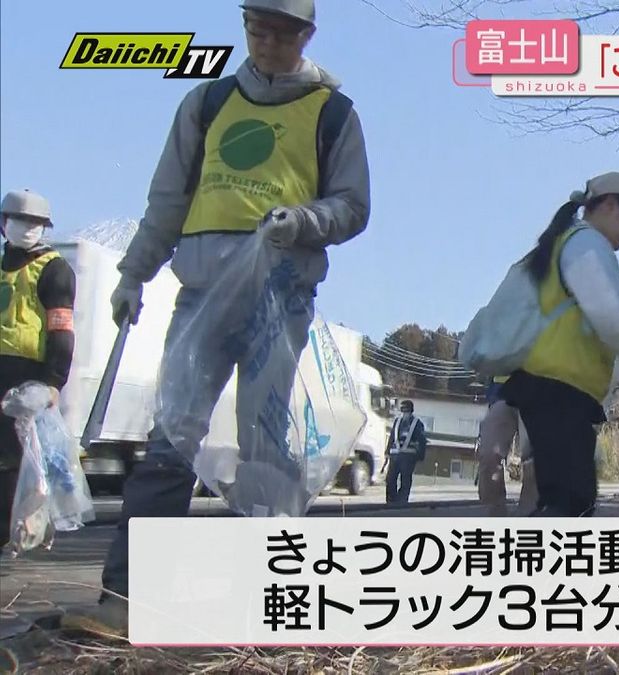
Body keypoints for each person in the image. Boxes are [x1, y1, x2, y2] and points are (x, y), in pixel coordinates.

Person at [63, 0, 370, 637]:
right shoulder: (206, 105)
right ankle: (128, 601)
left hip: (278, 297)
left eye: (279, 34)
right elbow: (168, 199)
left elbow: (352, 204)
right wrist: (132, 273)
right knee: (171, 438)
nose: (264, 44)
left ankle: (254, 606)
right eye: (254, 29)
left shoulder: (332, 112)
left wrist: (305, 221)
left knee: (263, 450)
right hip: (201, 295)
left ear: (305, 36)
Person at [500, 172, 619, 517]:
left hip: (552, 389)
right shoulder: (586, 245)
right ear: (609, 204)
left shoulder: (568, 242)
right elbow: (614, 314)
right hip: (558, 389)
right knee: (571, 500)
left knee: (563, 498)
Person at [0, 189, 76, 549]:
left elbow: (61, 328)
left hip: (28, 377)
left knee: (21, 459)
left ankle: (20, 530)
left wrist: (53, 382)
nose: (26, 228)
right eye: (20, 220)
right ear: (4, 224)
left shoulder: (54, 269)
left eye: (35, 223)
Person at [476, 375, 537, 516]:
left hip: (538, 392)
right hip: (502, 393)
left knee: (535, 461)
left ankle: (528, 516)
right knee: (488, 453)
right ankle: (496, 515)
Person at [384, 400, 427, 505]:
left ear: (411, 411)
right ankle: (391, 501)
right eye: (403, 410)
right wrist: (387, 452)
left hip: (408, 457)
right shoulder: (397, 421)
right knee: (390, 479)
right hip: (395, 455)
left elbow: (422, 441)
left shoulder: (417, 423)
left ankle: (402, 501)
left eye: (406, 410)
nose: (404, 414)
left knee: (405, 480)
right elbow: (392, 438)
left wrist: (420, 455)